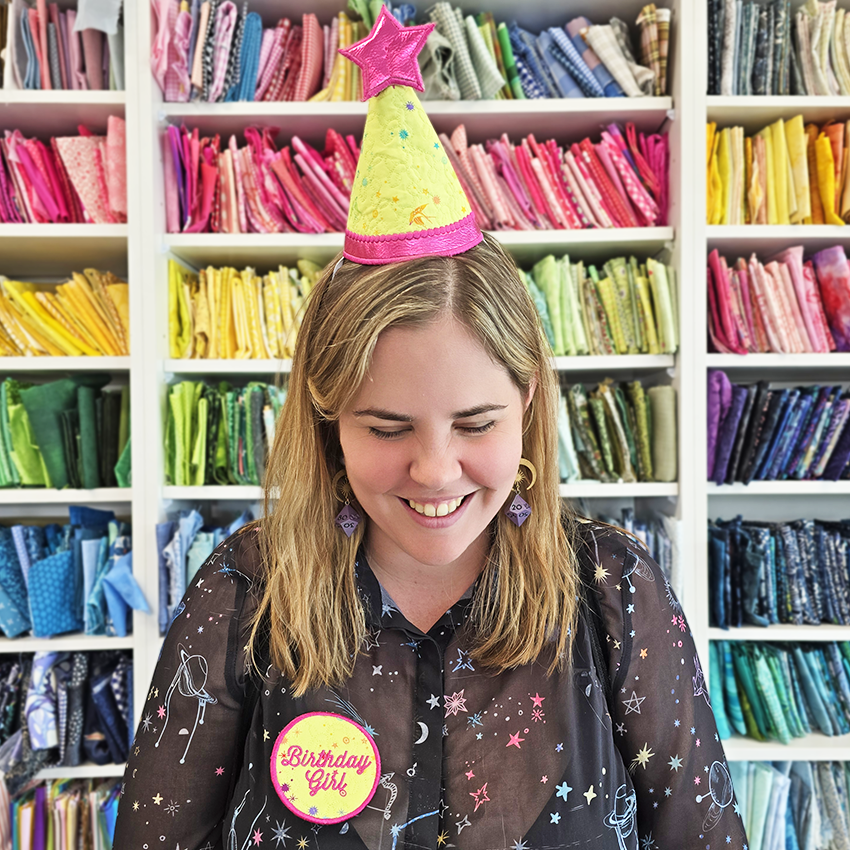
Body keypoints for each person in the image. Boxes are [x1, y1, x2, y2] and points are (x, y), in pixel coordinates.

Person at [114, 10, 748, 850]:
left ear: (527, 403)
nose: (437, 470)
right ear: (328, 417)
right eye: (386, 426)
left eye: (476, 422)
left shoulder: (614, 594)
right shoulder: (243, 595)